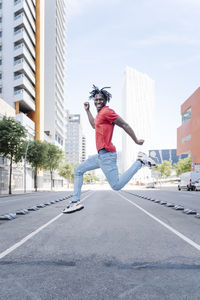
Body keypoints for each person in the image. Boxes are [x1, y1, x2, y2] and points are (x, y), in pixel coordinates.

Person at [63, 85, 156, 213]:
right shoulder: (100, 114)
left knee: (116, 186)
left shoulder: (107, 112)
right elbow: (93, 125)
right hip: (100, 157)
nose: (98, 101)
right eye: (96, 99)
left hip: (107, 156)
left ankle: (140, 162)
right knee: (78, 170)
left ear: (105, 100)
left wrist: (136, 140)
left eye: (101, 99)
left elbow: (124, 124)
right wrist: (87, 110)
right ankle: (75, 202)